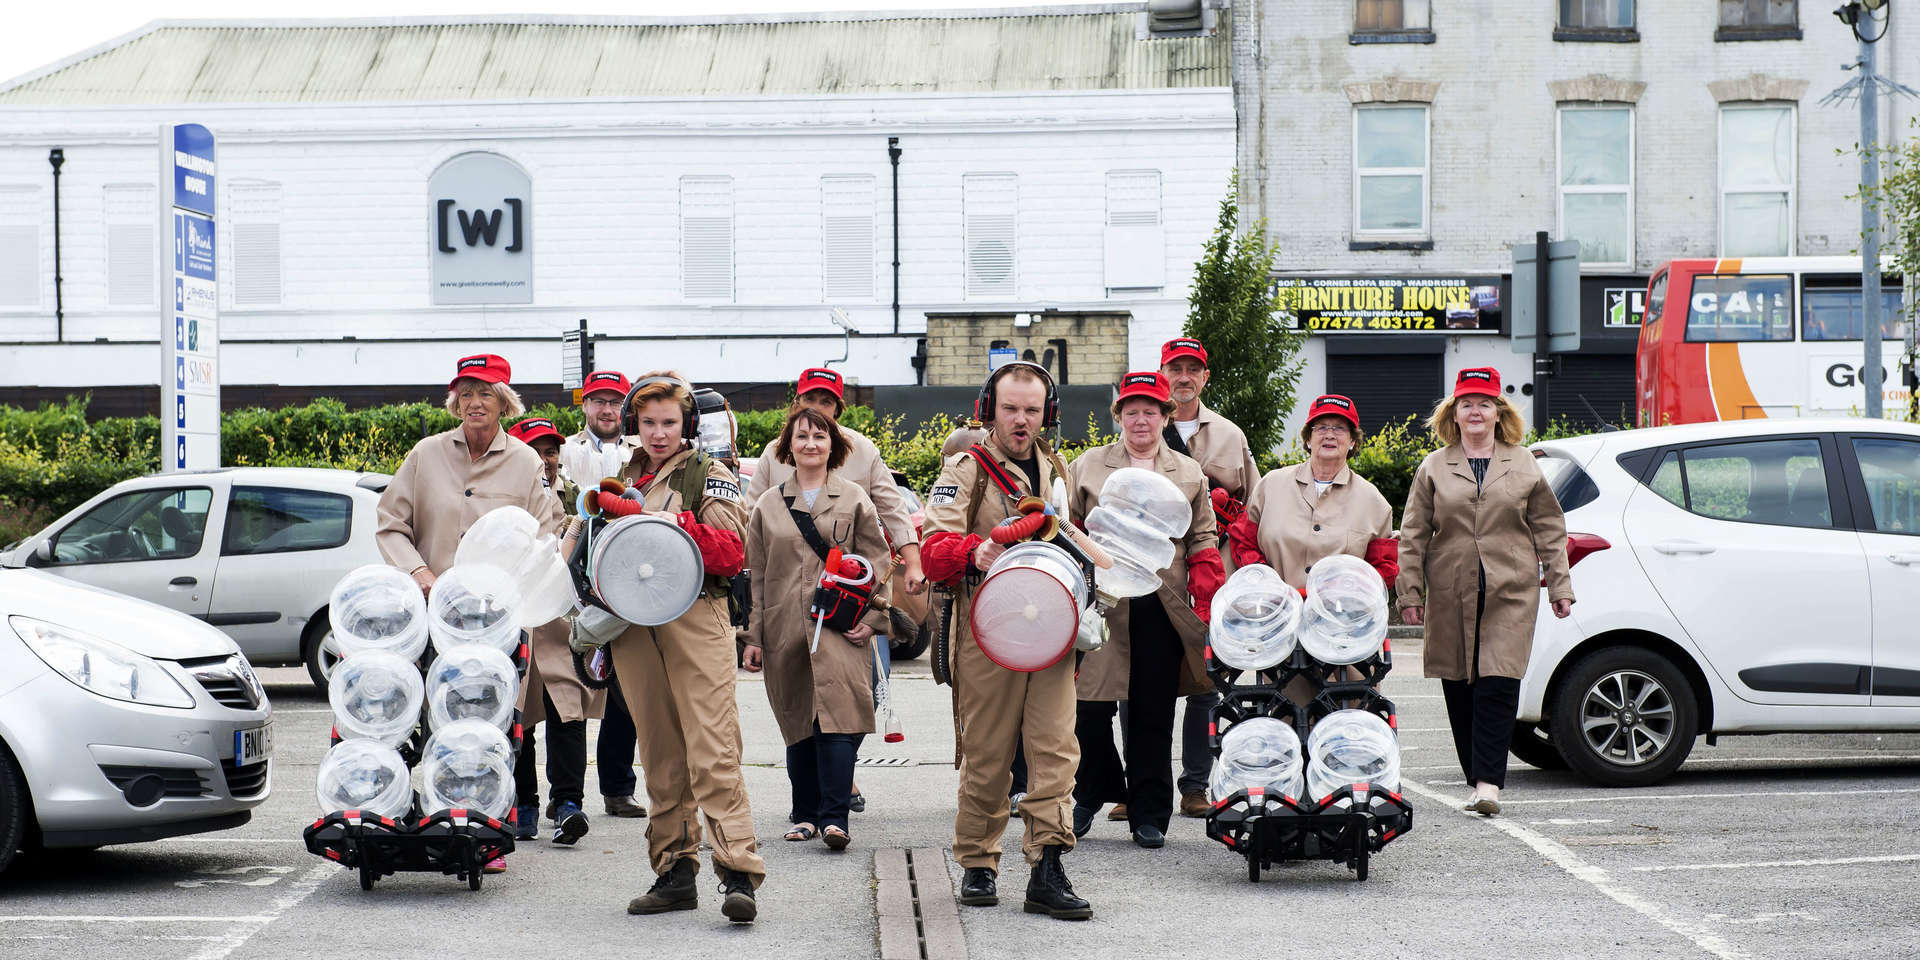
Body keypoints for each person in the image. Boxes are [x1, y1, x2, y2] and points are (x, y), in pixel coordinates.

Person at [374, 354, 564, 874]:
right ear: (454, 401)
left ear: (505, 402)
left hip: (495, 626)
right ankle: (427, 817)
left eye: (485, 393)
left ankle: (485, 834)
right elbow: (390, 523)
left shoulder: (525, 463)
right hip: (433, 618)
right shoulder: (426, 454)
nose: (475, 403)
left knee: (492, 726)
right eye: (466, 393)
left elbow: (545, 537)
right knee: (431, 721)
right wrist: (418, 572)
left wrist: (510, 590)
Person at [920, 360, 1090, 921]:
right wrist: (975, 551)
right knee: (988, 753)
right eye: (1010, 408)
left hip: (1051, 629)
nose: (1021, 420)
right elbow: (932, 551)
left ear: (1048, 414)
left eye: (1032, 410)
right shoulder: (965, 468)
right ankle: (978, 863)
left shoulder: (1056, 468)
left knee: (1056, 750)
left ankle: (1048, 866)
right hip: (987, 631)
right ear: (988, 410)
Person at [597, 371, 766, 923]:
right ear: (634, 424)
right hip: (634, 622)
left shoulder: (709, 473)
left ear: (687, 424)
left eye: (669, 422)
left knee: (713, 748)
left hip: (696, 615)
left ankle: (738, 871)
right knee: (660, 753)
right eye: (648, 423)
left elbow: (730, 552)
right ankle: (674, 870)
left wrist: (675, 522)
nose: (658, 433)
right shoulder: (625, 477)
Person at [1397, 368, 1574, 817]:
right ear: (1453, 414)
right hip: (1450, 589)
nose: (1475, 411)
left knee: (1499, 680)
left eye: (1484, 403)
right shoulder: (1434, 466)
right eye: (1466, 404)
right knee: (1459, 685)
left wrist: (1560, 584)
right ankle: (1476, 776)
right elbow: (1413, 534)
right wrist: (1410, 594)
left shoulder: (1523, 463)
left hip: (1510, 589)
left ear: (1499, 413)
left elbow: (1549, 528)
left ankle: (1488, 784)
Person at [1067, 372, 1222, 849]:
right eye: (1131, 411)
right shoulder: (1087, 466)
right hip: (1101, 602)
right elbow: (1068, 525)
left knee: (1152, 711)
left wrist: (1207, 590)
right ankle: (1091, 792)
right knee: (1087, 708)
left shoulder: (1189, 472)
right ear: (1119, 416)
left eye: (1150, 411)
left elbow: (1202, 536)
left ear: (1165, 417)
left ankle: (1149, 812)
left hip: (1162, 601)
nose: (1140, 420)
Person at [742, 406, 893, 851]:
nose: (811, 443)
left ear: (834, 446)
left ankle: (834, 818)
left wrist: (873, 620)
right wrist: (752, 637)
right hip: (784, 629)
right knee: (798, 722)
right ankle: (804, 814)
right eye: (802, 436)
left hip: (840, 629)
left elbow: (879, 563)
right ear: (788, 446)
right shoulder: (769, 505)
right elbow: (754, 575)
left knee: (839, 721)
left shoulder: (854, 499)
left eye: (820, 436)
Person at [1157, 336, 1261, 819]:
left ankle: (1195, 785)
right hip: (1156, 575)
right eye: (1175, 368)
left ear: (1205, 377)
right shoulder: (1144, 425)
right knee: (1143, 683)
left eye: (1192, 369)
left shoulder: (1230, 436)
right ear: (1163, 372)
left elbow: (1252, 508)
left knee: (1205, 683)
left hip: (1211, 575)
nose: (1183, 377)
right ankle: (1141, 786)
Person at [503, 416, 607, 846]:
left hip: (561, 621)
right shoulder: (505, 497)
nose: (544, 460)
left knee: (568, 709)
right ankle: (523, 804)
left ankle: (567, 804)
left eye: (550, 452)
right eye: (535, 451)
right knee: (518, 715)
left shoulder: (575, 496)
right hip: (516, 620)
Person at [745, 367, 924, 594]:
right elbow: (750, 520)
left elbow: (893, 509)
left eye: (826, 402)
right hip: (787, 585)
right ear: (796, 403)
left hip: (847, 587)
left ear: (837, 409)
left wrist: (913, 563)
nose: (816, 407)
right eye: (809, 399)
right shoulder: (774, 453)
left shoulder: (863, 450)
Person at [557, 371, 647, 821]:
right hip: (575, 574)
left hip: (629, 576)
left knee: (624, 688)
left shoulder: (642, 451)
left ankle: (617, 788)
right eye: (599, 401)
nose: (607, 409)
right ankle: (564, 795)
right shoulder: (563, 452)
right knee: (567, 689)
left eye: (615, 402)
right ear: (585, 406)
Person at [1227, 394, 1399, 587]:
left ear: (1352, 441)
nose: (1330, 435)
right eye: (1322, 427)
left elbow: (1383, 567)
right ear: (1308, 438)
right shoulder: (1270, 485)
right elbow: (1242, 540)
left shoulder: (1373, 502)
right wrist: (1266, 582)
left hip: (1337, 607)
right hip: (1273, 604)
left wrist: (1348, 590)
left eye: (1339, 428)